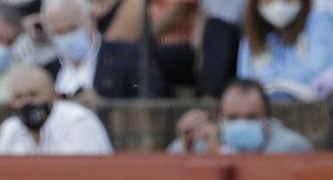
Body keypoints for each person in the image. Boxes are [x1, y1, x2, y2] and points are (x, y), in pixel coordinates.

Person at [41, 0, 167, 100]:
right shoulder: (47, 71)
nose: (67, 37)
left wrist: (103, 106)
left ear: (91, 19)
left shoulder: (129, 56)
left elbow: (154, 100)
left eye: (72, 29)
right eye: (58, 32)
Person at [0, 64, 113, 153]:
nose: (26, 102)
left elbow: (79, 174)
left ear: (53, 96)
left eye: (33, 94)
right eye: (19, 97)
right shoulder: (11, 128)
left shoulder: (77, 121)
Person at [167, 77, 313, 152]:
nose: (242, 123)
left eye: (251, 117)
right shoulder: (203, 142)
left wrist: (221, 152)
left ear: (267, 116)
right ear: (220, 117)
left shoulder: (291, 146)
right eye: (232, 118)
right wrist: (185, 147)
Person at [236, 0, 333, 101]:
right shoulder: (251, 35)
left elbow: (319, 77)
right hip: (261, 103)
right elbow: (244, 85)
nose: (278, 4)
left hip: (306, 101)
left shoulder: (319, 23)